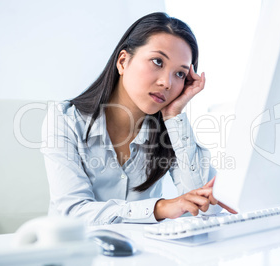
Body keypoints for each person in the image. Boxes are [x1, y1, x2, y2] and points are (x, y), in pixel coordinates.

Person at [41, 12, 234, 225]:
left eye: (180, 73)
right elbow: (74, 211)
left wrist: (174, 115)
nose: (167, 83)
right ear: (123, 61)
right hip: (76, 251)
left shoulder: (170, 129)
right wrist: (160, 207)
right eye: (157, 62)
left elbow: (206, 208)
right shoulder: (64, 118)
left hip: (141, 253)